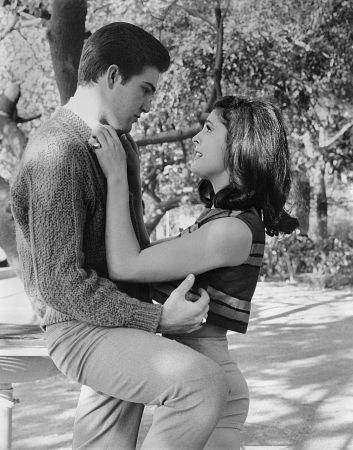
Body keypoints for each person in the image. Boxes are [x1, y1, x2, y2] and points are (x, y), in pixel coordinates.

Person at [10, 22, 230, 450]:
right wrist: (156, 319)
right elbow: (60, 283)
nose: (149, 105)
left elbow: (130, 250)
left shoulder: (117, 144)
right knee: (200, 384)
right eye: (146, 89)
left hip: (117, 319)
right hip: (80, 328)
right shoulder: (58, 151)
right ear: (112, 76)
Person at [92, 95, 300, 449]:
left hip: (211, 382)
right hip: (194, 376)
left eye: (208, 128)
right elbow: (139, 255)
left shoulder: (231, 230)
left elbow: (127, 264)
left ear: (238, 146)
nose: (195, 138)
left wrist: (116, 178)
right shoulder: (218, 219)